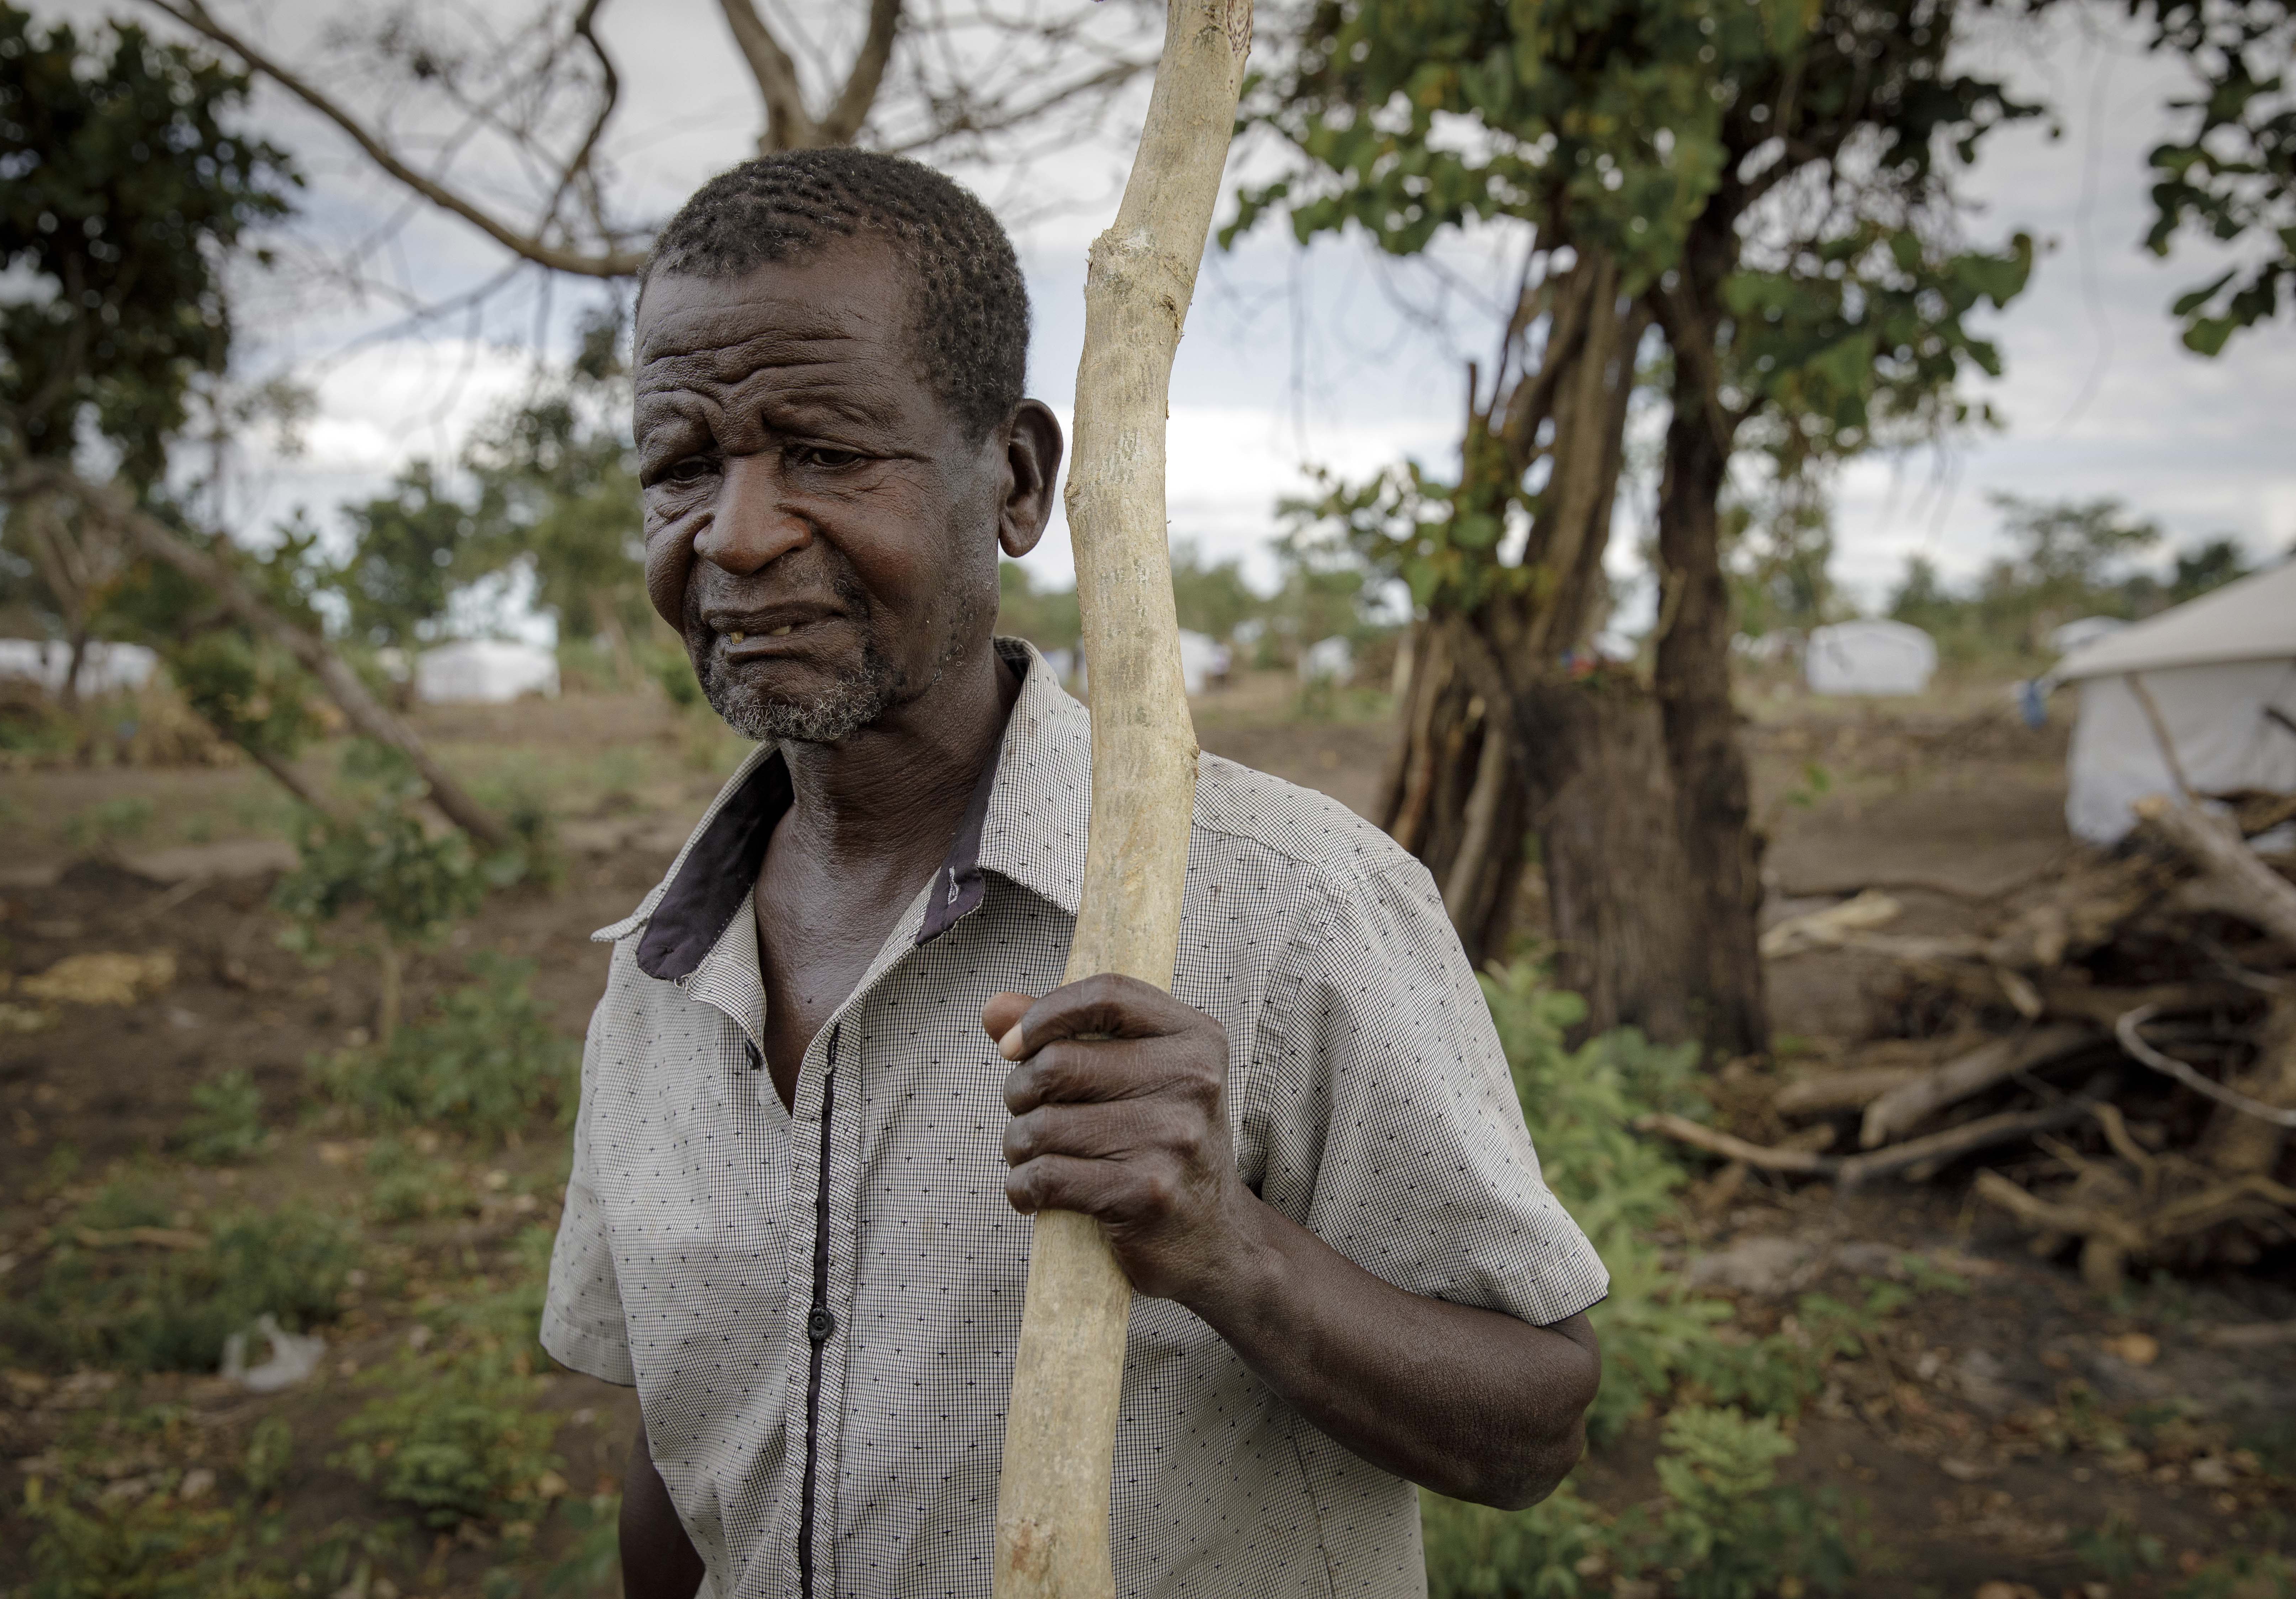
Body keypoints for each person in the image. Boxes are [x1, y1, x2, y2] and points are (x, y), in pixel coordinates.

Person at [541, 147, 1608, 1599]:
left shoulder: (1285, 900)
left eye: (829, 453)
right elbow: (692, 1458)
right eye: (683, 467)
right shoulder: (660, 980)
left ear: (1020, 480)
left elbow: (1535, 1423)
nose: (734, 532)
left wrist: (1225, 1246)